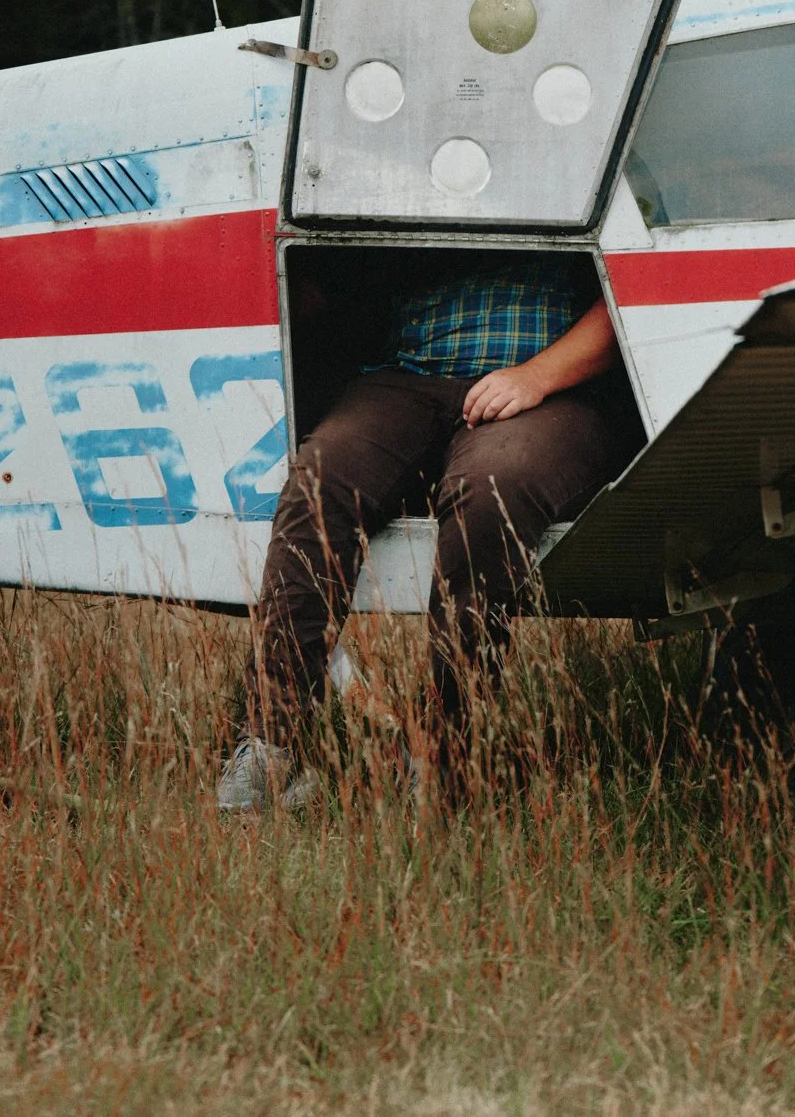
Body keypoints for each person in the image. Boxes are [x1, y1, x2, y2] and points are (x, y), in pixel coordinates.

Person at [217, 251, 636, 812]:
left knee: (492, 493)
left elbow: (634, 288)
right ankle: (270, 739)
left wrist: (536, 376)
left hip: (546, 381)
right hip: (410, 376)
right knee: (320, 485)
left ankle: (446, 751)